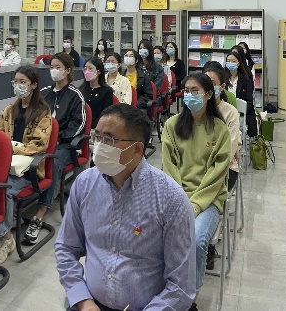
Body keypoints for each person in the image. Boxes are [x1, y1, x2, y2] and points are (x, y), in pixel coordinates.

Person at [56, 104, 196, 311]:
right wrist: (83, 300)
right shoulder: (84, 184)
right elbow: (66, 248)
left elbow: (181, 286)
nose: (99, 146)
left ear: (137, 149)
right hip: (91, 303)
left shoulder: (170, 199)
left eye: (109, 140)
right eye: (97, 137)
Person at [161, 73, 232, 306]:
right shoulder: (172, 125)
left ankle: (192, 295)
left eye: (195, 91)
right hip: (177, 196)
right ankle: (166, 286)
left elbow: (216, 174)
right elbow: (169, 167)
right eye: (186, 91)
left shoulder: (220, 130)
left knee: (197, 239)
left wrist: (195, 205)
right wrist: (181, 200)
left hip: (209, 200)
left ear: (209, 94)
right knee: (155, 234)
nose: (189, 95)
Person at [0, 67, 54, 265]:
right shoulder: (9, 110)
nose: (18, 85)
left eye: (22, 82)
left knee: (4, 189)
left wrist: (12, 148)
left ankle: (5, 238)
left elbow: (39, 145)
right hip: (8, 164)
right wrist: (7, 148)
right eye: (15, 81)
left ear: (34, 85)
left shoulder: (43, 113)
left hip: (28, 170)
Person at [22, 53, 87, 247]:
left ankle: (39, 213)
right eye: (51, 67)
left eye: (58, 67)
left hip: (64, 144)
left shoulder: (75, 95)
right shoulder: (44, 93)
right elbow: (32, 116)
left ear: (68, 71)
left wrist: (59, 138)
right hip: (40, 141)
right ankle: (19, 201)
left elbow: (79, 124)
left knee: (52, 163)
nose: (54, 71)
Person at [203, 66, 242, 190]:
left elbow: (229, 150)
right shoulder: (198, 109)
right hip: (197, 167)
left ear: (222, 87)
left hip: (224, 170)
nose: (208, 87)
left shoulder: (230, 112)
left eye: (212, 84)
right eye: (205, 83)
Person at [226, 49, 257, 137]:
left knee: (238, 129)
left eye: (233, 61)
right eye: (228, 61)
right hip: (225, 113)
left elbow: (249, 102)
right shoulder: (222, 79)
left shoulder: (245, 80)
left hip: (241, 115)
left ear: (238, 63)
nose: (230, 63)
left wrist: (241, 110)